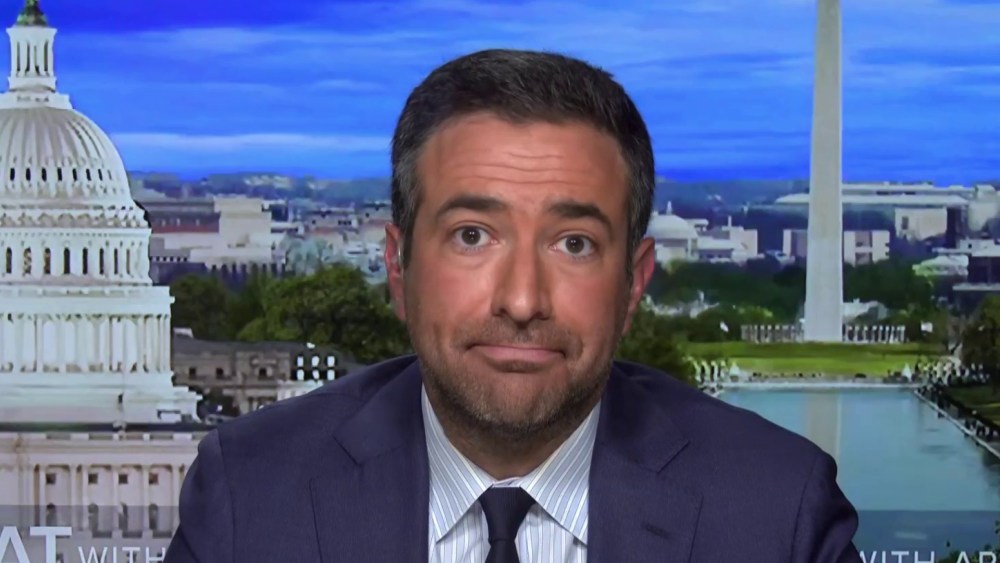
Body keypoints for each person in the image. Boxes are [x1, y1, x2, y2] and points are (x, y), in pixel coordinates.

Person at [165, 49, 862, 563]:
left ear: (633, 283)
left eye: (574, 244)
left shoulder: (776, 515)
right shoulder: (251, 497)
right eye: (473, 236)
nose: (522, 300)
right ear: (398, 267)